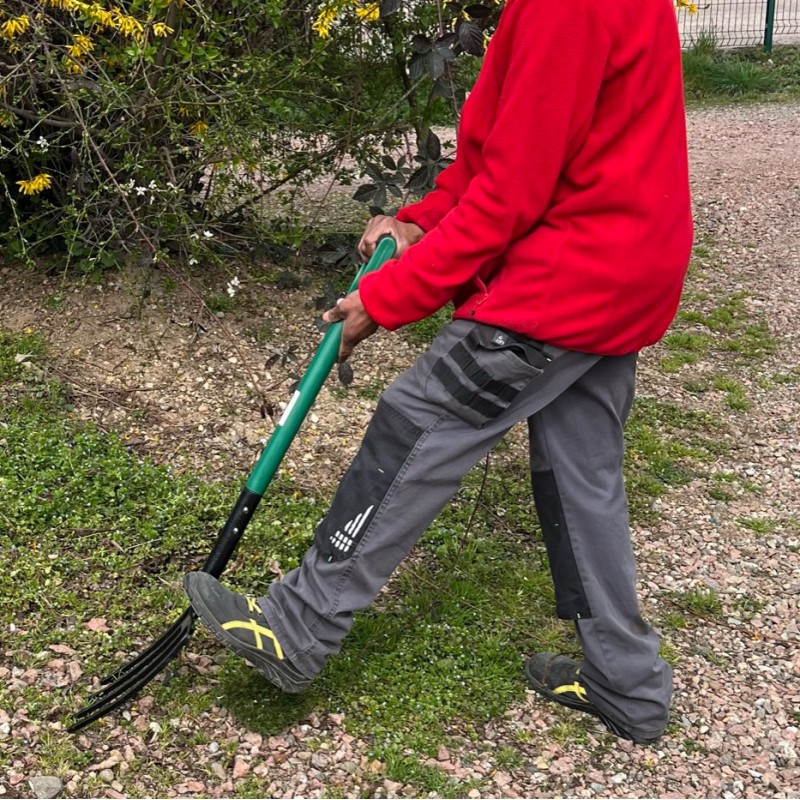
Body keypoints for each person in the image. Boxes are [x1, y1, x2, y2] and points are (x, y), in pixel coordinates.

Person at [184, 0, 692, 744]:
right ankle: (628, 683)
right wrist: (421, 217)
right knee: (584, 480)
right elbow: (502, 158)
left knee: (417, 421)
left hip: (569, 279)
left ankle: (300, 624)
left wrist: (386, 299)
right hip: (621, 270)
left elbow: (510, 194)